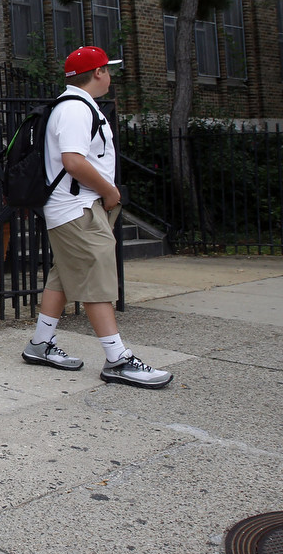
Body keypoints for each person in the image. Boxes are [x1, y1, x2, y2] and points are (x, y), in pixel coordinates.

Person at [22, 46, 172, 389]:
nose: (110, 76)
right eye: (108, 70)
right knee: (97, 279)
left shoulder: (77, 106)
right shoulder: (75, 109)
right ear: (98, 72)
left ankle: (40, 344)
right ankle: (117, 359)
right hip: (78, 209)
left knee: (63, 275)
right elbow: (73, 161)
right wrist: (109, 191)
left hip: (73, 208)